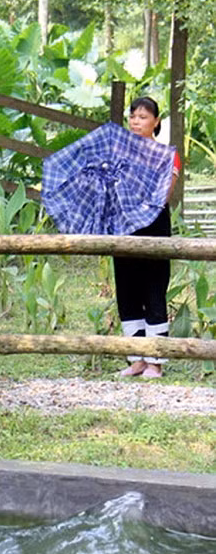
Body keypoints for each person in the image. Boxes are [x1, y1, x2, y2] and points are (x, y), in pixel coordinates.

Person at [115, 96, 180, 379]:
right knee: (127, 292)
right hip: (123, 224)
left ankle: (155, 361)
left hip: (153, 225)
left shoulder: (168, 155)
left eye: (142, 117)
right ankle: (136, 359)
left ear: (155, 122)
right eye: (133, 116)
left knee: (154, 290)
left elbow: (164, 195)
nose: (136, 122)